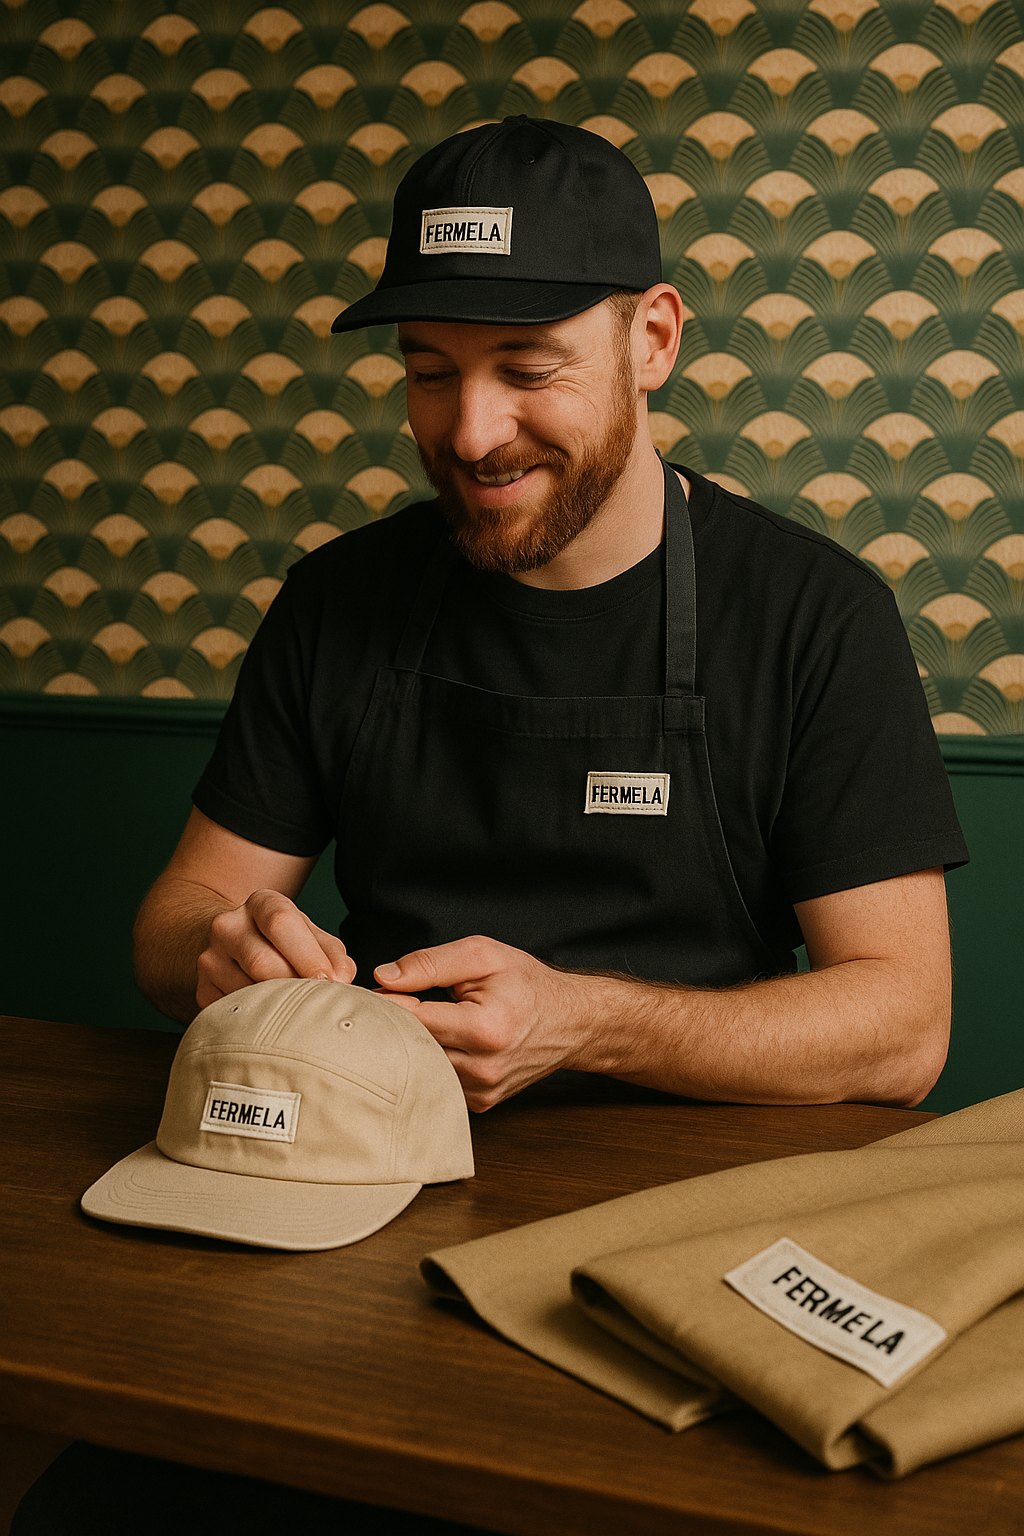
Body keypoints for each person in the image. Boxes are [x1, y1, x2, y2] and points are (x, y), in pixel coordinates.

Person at [133, 115, 967, 1111]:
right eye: (430, 372)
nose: (474, 433)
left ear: (650, 340)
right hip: (379, 1147)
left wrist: (587, 1021)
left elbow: (904, 1031)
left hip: (692, 1186)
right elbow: (174, 918)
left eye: (528, 370)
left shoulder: (815, 616)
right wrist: (219, 947)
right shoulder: (337, 598)